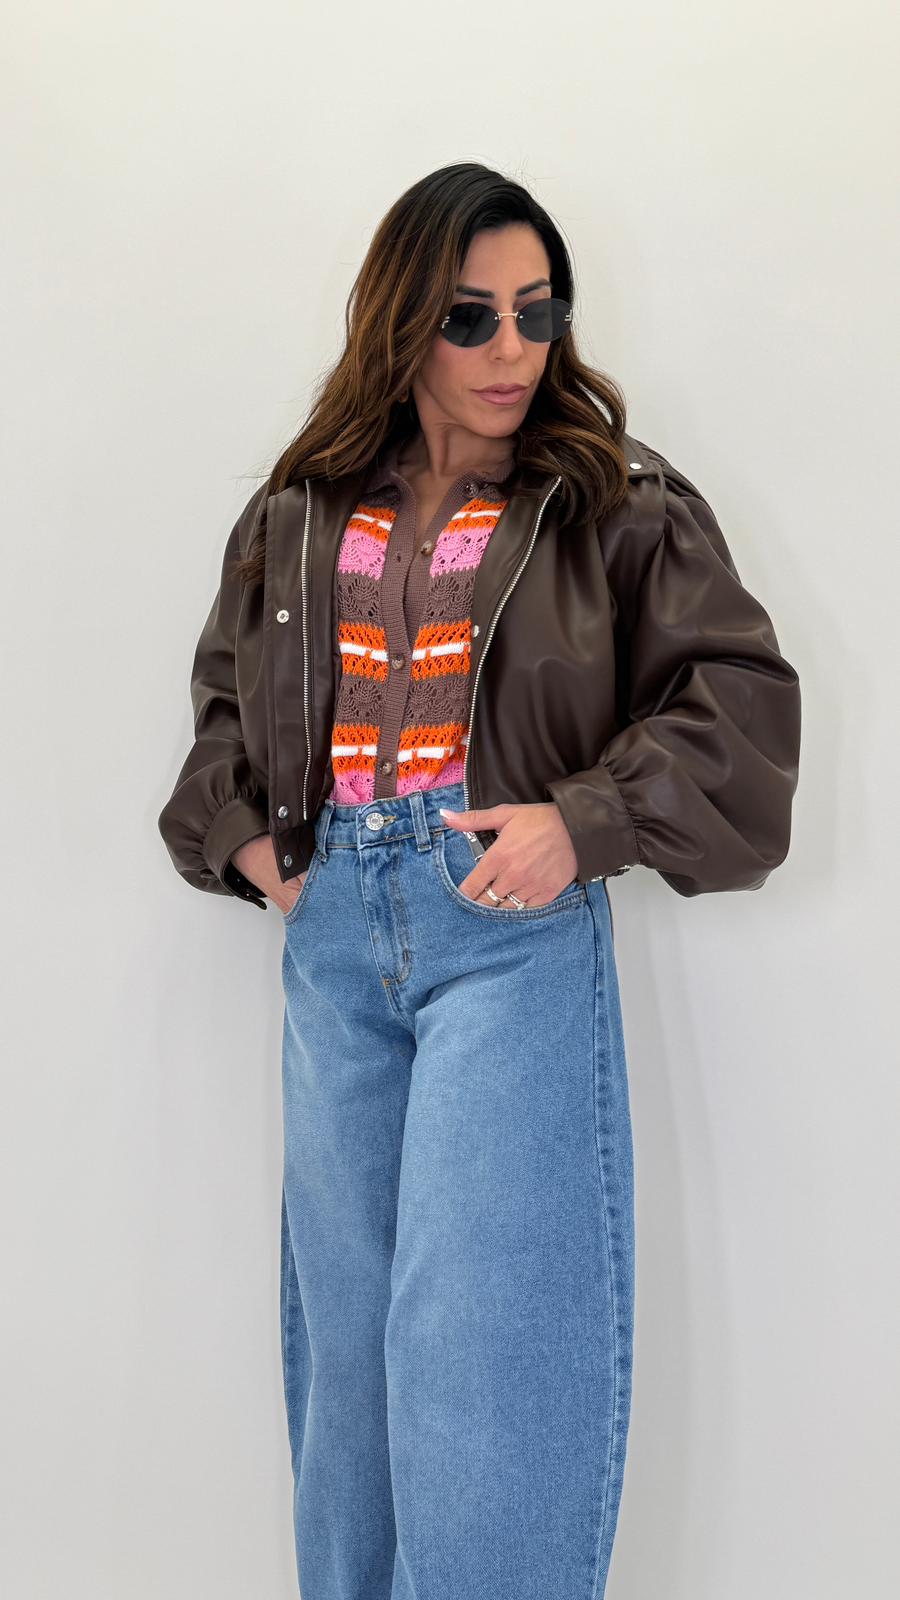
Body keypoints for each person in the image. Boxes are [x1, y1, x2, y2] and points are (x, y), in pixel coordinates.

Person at [158, 161, 801, 1599]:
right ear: (401, 321)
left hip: (501, 925)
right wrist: (253, 846)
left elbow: (741, 707)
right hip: (333, 938)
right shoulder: (299, 511)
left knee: (485, 1356)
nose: (513, 348)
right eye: (470, 317)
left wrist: (582, 822)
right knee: (349, 1367)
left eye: (536, 310)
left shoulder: (612, 501)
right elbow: (226, 711)